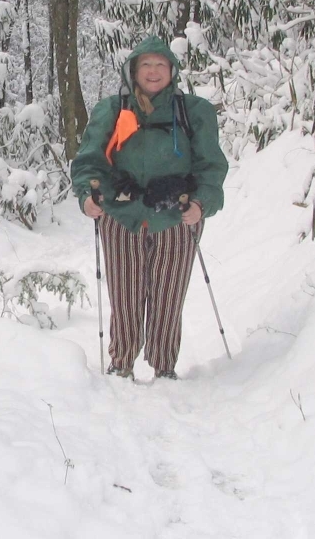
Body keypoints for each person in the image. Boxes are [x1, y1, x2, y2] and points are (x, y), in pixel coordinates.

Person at [71, 35, 228, 379]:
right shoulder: (113, 109)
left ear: (172, 70)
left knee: (168, 295)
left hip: (176, 214)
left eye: (161, 65)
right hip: (122, 214)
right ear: (133, 71)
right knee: (124, 295)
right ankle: (121, 363)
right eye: (146, 65)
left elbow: (211, 166)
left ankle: (164, 366)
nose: (153, 71)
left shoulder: (193, 111)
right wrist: (87, 194)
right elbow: (89, 160)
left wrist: (203, 203)